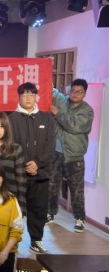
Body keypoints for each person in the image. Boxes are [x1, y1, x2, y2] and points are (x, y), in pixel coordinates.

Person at [9, 83, 55, 255]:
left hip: (40, 172)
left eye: (31, 94)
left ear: (36, 96)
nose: (28, 98)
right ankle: (11, 242)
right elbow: (10, 145)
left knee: (38, 208)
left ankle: (36, 240)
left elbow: (50, 145)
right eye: (24, 95)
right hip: (18, 174)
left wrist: (37, 163)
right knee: (14, 209)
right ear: (19, 97)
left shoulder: (46, 118)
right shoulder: (11, 119)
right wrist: (25, 165)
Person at [48, 79, 94, 233]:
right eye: (73, 90)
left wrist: (57, 113)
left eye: (79, 92)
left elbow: (74, 126)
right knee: (52, 185)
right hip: (55, 152)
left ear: (84, 93)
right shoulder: (63, 101)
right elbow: (51, 91)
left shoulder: (87, 111)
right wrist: (47, 72)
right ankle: (50, 213)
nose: (75, 94)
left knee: (76, 189)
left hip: (74, 156)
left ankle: (79, 218)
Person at [0, 112, 27, 216]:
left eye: (1, 126)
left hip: (9, 198)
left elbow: (21, 179)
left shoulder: (15, 149)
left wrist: (21, 205)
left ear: (7, 128)